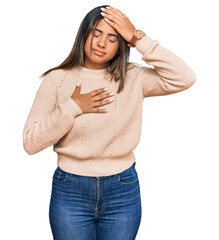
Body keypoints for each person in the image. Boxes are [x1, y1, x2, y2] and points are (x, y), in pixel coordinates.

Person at [22, 4, 196, 240]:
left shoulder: (133, 77)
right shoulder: (57, 79)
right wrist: (74, 107)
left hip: (122, 189)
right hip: (70, 190)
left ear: (121, 46)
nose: (101, 43)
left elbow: (184, 78)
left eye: (113, 38)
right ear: (84, 34)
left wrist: (137, 37)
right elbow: (30, 143)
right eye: (96, 33)